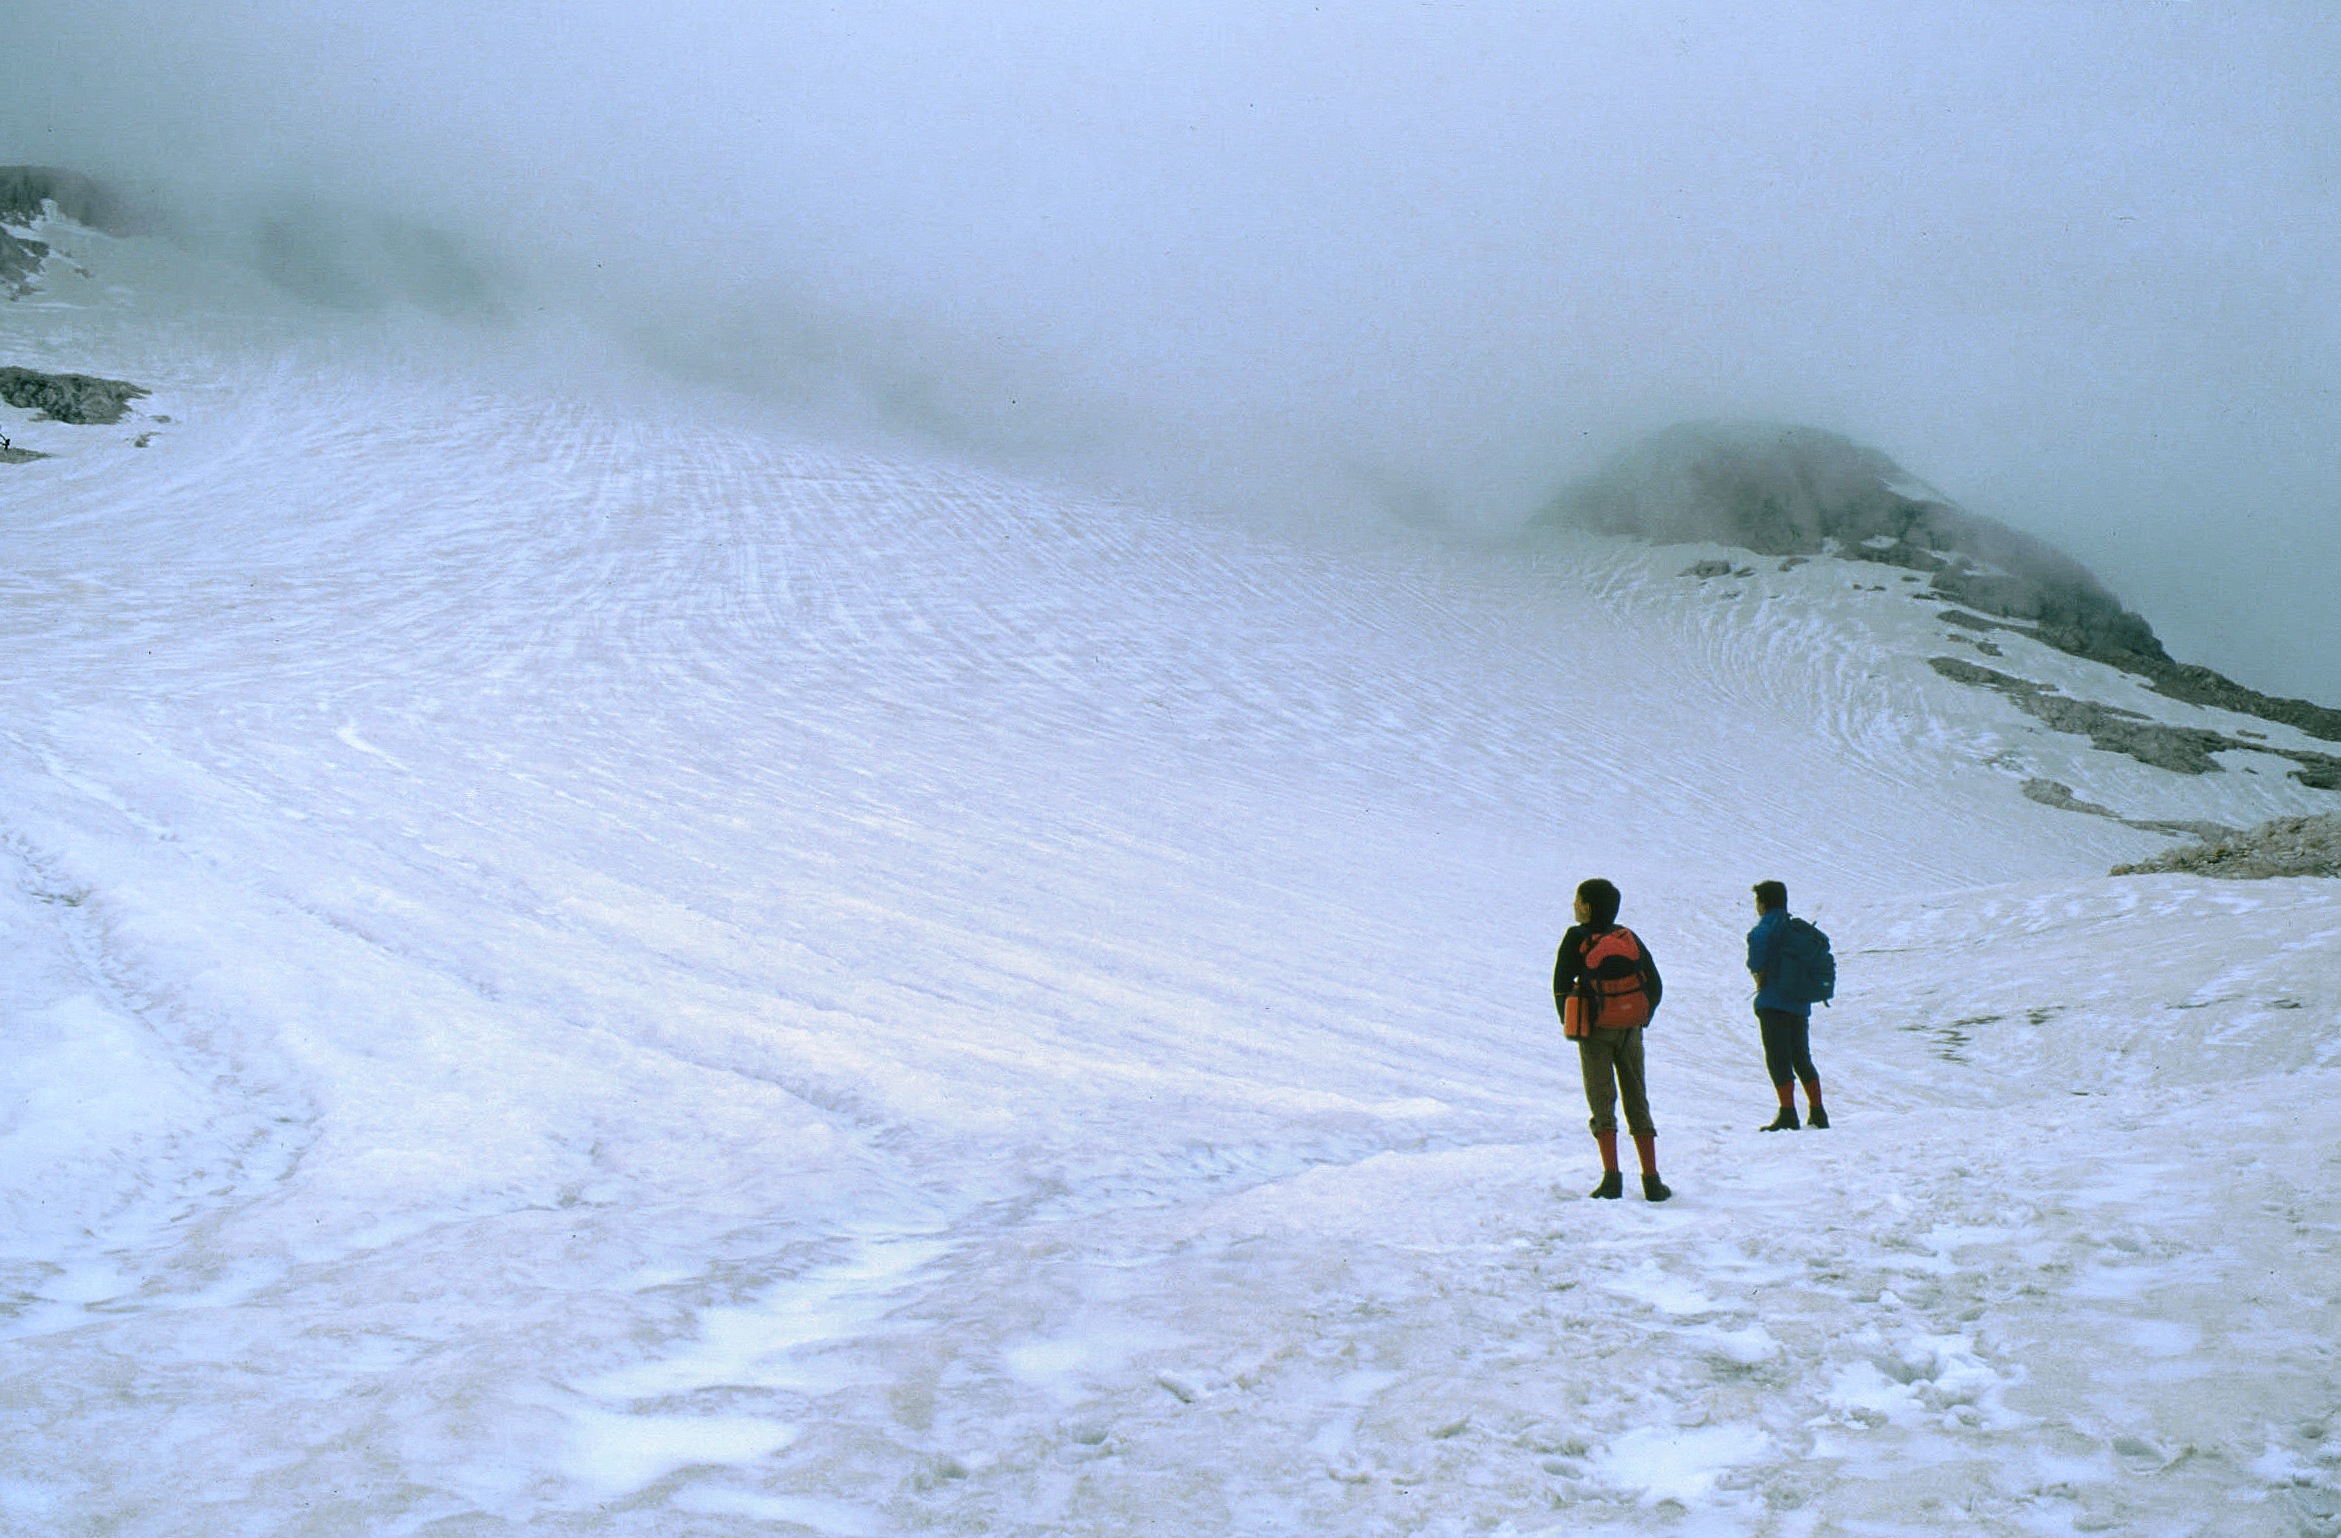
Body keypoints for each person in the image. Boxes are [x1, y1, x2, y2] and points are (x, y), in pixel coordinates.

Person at [1553, 878, 1670, 1201]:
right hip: (1630, 1031)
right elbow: (1655, 983)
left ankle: (1612, 1179)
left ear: (1588, 908)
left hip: (1594, 1032)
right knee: (1637, 1100)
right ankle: (1652, 1180)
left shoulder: (1576, 937)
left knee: (1602, 1101)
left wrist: (1573, 1024)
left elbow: (1560, 985)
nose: (1574, 905)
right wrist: (1639, 1018)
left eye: (1578, 901)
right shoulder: (1626, 936)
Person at [1747, 880, 1828, 1130]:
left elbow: (1755, 962)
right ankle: (1818, 1111)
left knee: (1778, 1058)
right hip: (1799, 1003)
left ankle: (1788, 1113)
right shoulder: (1797, 930)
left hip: (1772, 1002)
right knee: (1801, 1057)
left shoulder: (1763, 930)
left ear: (1762, 904)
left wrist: (1758, 974)